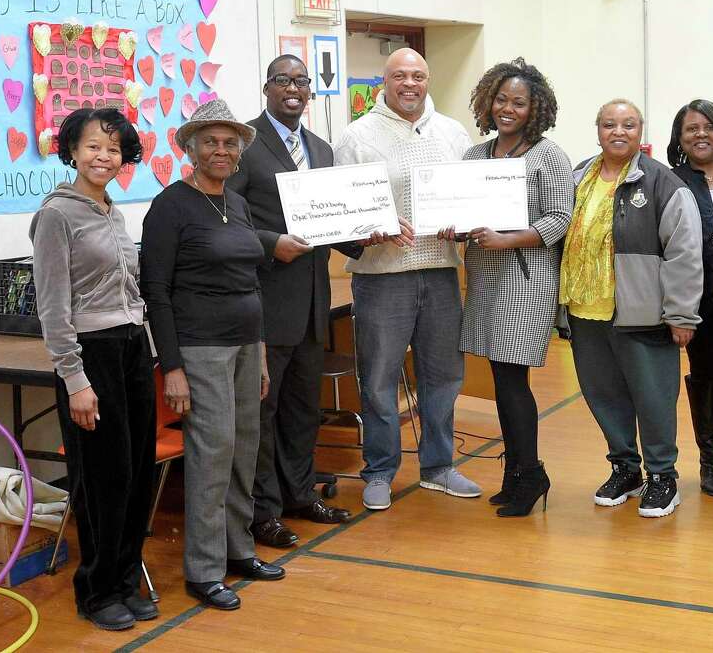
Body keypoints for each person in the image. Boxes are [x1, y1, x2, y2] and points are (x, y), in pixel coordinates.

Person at [141, 100, 283, 612]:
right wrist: (173, 367)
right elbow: (156, 291)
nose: (221, 151)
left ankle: (238, 548)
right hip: (201, 348)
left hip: (247, 344)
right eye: (210, 142)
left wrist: (262, 353)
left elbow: (251, 281)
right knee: (213, 452)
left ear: (239, 152)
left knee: (245, 446)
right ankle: (203, 570)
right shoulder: (171, 206)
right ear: (192, 149)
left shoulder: (237, 205)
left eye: (229, 143)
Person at [332, 48, 481, 511]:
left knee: (443, 375)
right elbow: (342, 210)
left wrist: (465, 220)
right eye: (400, 76)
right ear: (385, 80)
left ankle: (439, 467)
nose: (409, 84)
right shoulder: (357, 136)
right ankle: (379, 471)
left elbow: (473, 196)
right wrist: (371, 223)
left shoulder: (454, 133)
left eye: (418, 75)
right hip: (382, 276)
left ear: (428, 78)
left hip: (440, 272)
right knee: (378, 379)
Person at [227, 55, 361, 549]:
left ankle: (299, 495)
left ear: (310, 92)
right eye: (283, 80)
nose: (293, 89)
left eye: (302, 82)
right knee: (263, 416)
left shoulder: (322, 150)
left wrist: (371, 234)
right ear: (267, 87)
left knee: (305, 410)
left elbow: (336, 227)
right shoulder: (243, 145)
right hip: (265, 305)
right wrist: (269, 243)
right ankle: (263, 512)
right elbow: (229, 216)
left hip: (312, 307)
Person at [30, 108, 154, 631]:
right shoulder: (57, 214)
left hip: (131, 349)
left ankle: (125, 578)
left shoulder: (112, 211)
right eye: (93, 147)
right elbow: (52, 308)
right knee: (104, 478)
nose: (104, 156)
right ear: (72, 152)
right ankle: (96, 590)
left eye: (114, 148)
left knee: (137, 472)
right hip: (91, 353)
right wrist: (74, 378)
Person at [440, 58, 573, 517]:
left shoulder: (547, 155)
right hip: (484, 278)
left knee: (513, 379)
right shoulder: (476, 156)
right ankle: (515, 472)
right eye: (501, 100)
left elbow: (559, 220)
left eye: (519, 102)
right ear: (487, 100)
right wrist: (449, 227)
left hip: (528, 279)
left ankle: (530, 474)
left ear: (535, 108)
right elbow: (459, 212)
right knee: (500, 378)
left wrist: (506, 239)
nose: (508, 109)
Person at [559, 98, 703, 518]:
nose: (617, 132)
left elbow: (685, 252)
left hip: (643, 313)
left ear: (641, 131)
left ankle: (663, 477)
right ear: (597, 129)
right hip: (587, 312)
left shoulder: (662, 182)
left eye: (627, 124)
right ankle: (625, 468)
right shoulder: (579, 176)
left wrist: (681, 314)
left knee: (654, 398)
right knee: (604, 396)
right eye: (609, 124)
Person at [666, 99, 713, 497]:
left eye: (708, 127)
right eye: (691, 128)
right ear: (680, 137)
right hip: (703, 302)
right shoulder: (673, 181)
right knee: (709, 378)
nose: (700, 135)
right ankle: (711, 458)